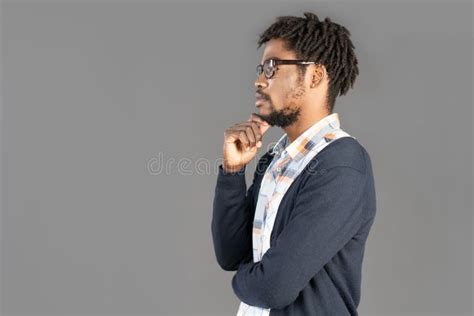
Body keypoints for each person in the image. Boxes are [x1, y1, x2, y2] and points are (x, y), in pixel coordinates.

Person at [211, 12, 376, 316]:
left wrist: (245, 279)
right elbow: (230, 254)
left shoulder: (342, 165)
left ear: (314, 75)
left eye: (273, 67)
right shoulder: (276, 159)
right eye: (262, 68)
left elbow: (272, 287)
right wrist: (233, 172)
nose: (259, 80)